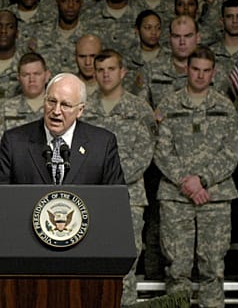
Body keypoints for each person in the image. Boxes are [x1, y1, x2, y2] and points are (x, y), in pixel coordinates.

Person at [153, 45, 238, 307]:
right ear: (187, 70)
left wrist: (202, 179)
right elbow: (160, 149)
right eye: (195, 69)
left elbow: (231, 152)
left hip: (214, 197)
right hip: (176, 197)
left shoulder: (225, 107)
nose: (200, 76)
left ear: (214, 72)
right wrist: (187, 182)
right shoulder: (169, 105)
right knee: (177, 268)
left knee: (213, 268)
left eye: (206, 71)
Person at [0, 71, 125, 216]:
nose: (56, 111)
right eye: (51, 101)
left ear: (80, 110)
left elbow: (117, 200)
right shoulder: (15, 141)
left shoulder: (102, 144)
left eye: (65, 105)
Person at [83, 49, 155, 306]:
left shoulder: (140, 109)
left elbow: (145, 153)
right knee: (91, 263)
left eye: (111, 69)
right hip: (90, 198)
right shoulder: (83, 108)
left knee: (125, 265)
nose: (106, 75)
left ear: (122, 72)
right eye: (100, 70)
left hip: (128, 197)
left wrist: (112, 181)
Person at [0, 52, 51, 140]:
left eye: (37, 74)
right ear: (18, 78)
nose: (32, 79)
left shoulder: (57, 107)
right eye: (26, 75)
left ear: (47, 76)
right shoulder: (5, 110)